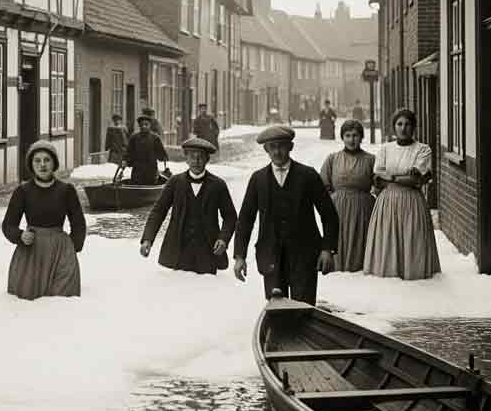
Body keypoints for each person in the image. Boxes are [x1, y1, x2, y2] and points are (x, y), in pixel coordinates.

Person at [233, 125, 339, 303]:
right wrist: (239, 256)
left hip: (304, 256)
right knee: (277, 312)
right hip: (271, 257)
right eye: (272, 147)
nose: (277, 151)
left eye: (281, 146)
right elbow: (245, 219)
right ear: (266, 150)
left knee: (304, 310)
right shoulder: (258, 179)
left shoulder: (308, 176)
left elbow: (329, 215)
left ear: (290, 147)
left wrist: (327, 249)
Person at [139, 136, 236, 274]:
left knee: (208, 290)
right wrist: (147, 239)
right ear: (186, 159)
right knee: (177, 290)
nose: (196, 161)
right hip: (178, 252)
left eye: (200, 157)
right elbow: (158, 212)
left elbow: (230, 217)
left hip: (207, 254)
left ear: (207, 159)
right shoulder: (175, 182)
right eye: (192, 156)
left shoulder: (218, 185)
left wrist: (223, 239)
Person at [2, 141, 86, 300]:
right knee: (29, 302)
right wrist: (20, 236)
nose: (42, 165)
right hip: (31, 252)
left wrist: (72, 248)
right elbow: (8, 225)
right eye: (37, 160)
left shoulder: (66, 190)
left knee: (61, 301)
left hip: (60, 251)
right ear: (31, 164)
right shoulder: (23, 191)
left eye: (47, 160)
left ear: (54, 163)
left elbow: (78, 223)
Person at [364, 108, 441, 279]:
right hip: (388, 201)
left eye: (407, 124)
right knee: (389, 239)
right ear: (394, 127)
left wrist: (391, 177)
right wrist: (401, 176)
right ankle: (390, 277)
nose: (403, 128)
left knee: (412, 237)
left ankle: (412, 274)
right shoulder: (385, 149)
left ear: (414, 127)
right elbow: (377, 176)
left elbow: (415, 180)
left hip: (412, 201)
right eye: (399, 124)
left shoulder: (423, 149)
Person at [320, 119, 375, 272]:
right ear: (342, 137)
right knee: (339, 238)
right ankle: (337, 267)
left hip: (362, 209)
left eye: (355, 135)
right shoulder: (333, 159)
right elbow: (322, 185)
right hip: (338, 207)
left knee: (359, 240)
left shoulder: (370, 160)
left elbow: (378, 184)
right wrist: (332, 200)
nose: (352, 140)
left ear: (361, 137)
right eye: (348, 135)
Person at [124, 114, 168, 185]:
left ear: (150, 125)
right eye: (141, 125)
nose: (144, 126)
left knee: (150, 186)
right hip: (138, 169)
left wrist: (163, 157)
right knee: (136, 187)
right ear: (139, 126)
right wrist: (126, 160)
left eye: (146, 124)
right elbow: (129, 152)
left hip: (151, 169)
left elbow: (161, 152)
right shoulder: (134, 138)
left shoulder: (155, 138)